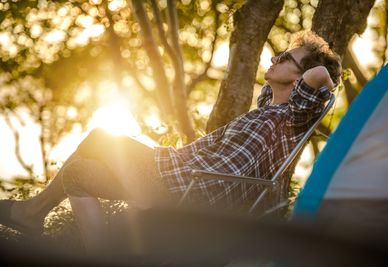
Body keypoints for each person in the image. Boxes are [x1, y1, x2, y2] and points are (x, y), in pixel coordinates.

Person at [0, 31, 341, 254]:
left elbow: (321, 76)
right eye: (279, 54)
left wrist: (315, 60)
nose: (275, 58)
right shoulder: (268, 108)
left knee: (100, 138)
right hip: (179, 177)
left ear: (299, 77)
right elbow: (280, 84)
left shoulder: (291, 118)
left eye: (286, 58)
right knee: (78, 172)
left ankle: (29, 213)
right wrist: (292, 61)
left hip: (190, 190)